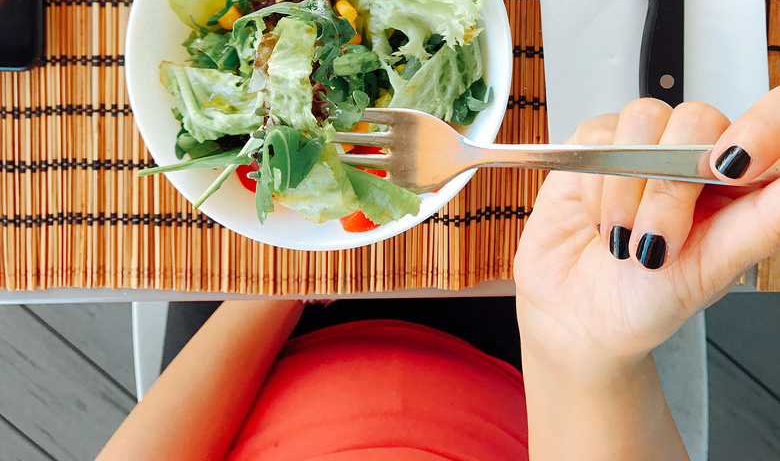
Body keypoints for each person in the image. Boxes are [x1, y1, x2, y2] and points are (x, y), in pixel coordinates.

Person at [95, 88, 780, 461]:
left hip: (262, 362)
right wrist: (580, 352)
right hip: (526, 366)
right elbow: (582, 359)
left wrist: (289, 283)